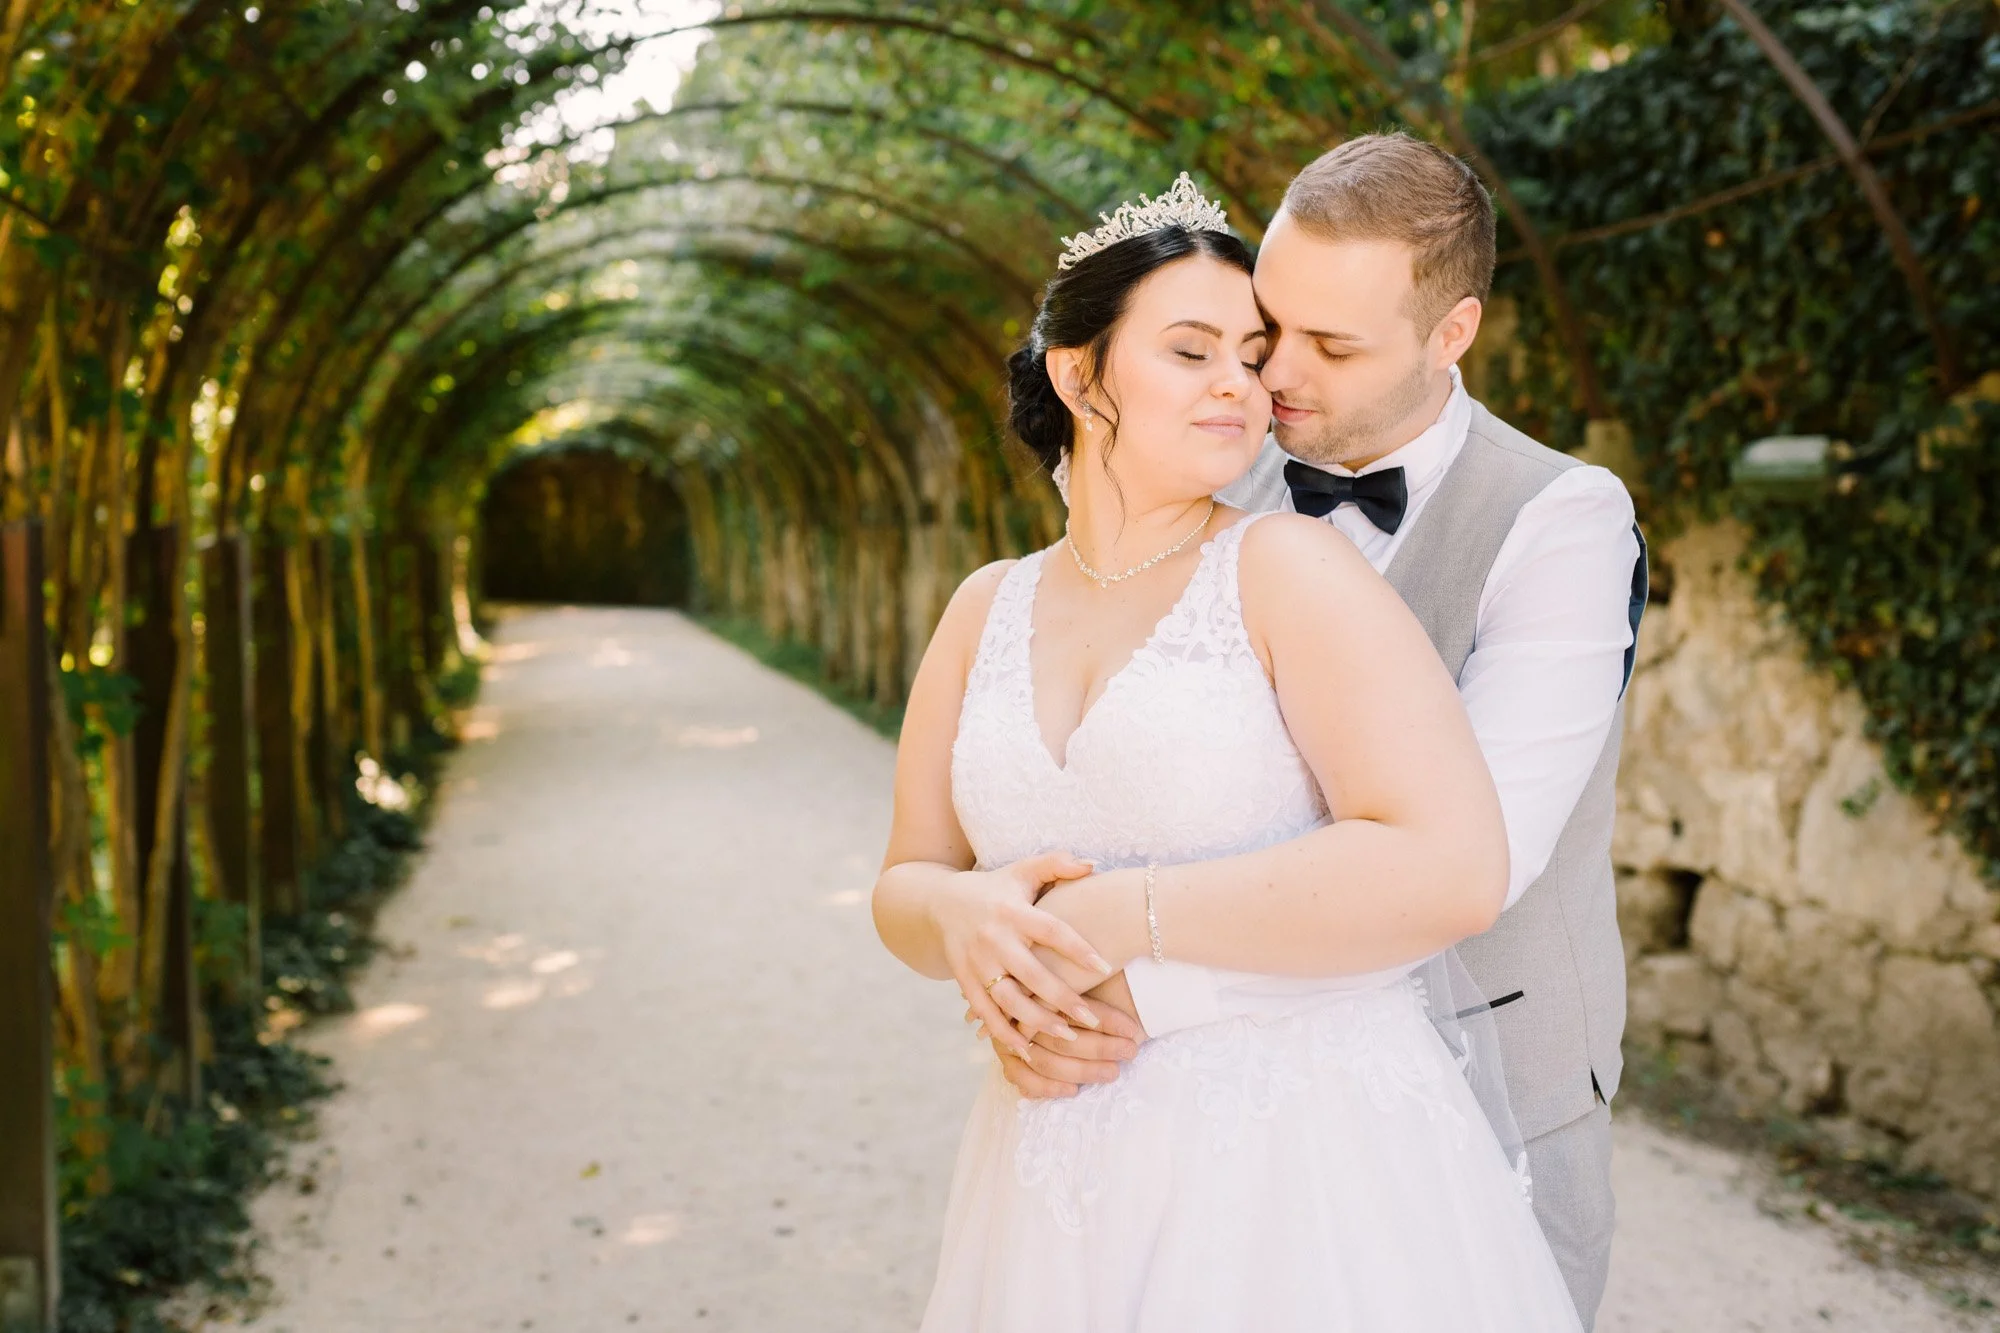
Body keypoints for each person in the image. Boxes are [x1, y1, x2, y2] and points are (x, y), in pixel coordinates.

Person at [873, 161, 1611, 1330]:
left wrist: (1101, 945)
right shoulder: (1018, 586)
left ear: (1448, 333)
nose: (1265, 381)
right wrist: (969, 922)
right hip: (1061, 1136)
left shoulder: (1540, 520)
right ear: (1079, 374)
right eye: (1237, 344)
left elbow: (1470, 862)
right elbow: (915, 869)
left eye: (1308, 345)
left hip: (1374, 1098)